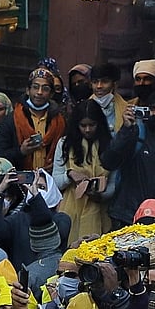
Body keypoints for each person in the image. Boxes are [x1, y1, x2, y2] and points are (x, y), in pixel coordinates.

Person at [101, 91, 155, 227]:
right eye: (152, 108)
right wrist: (125, 129)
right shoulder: (136, 133)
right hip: (132, 215)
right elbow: (108, 161)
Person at [53, 99, 115, 240]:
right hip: (70, 209)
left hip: (100, 210)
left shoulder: (109, 145)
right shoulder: (64, 144)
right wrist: (70, 175)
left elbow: (114, 182)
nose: (87, 130)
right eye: (83, 125)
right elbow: (56, 181)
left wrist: (101, 196)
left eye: (92, 125)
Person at [0, 68, 67, 172]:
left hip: (50, 178)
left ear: (51, 94)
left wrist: (57, 165)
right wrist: (21, 151)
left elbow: (68, 153)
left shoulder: (60, 121)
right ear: (28, 90)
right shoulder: (12, 120)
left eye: (45, 89)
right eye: (35, 87)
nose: (39, 92)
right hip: (19, 178)